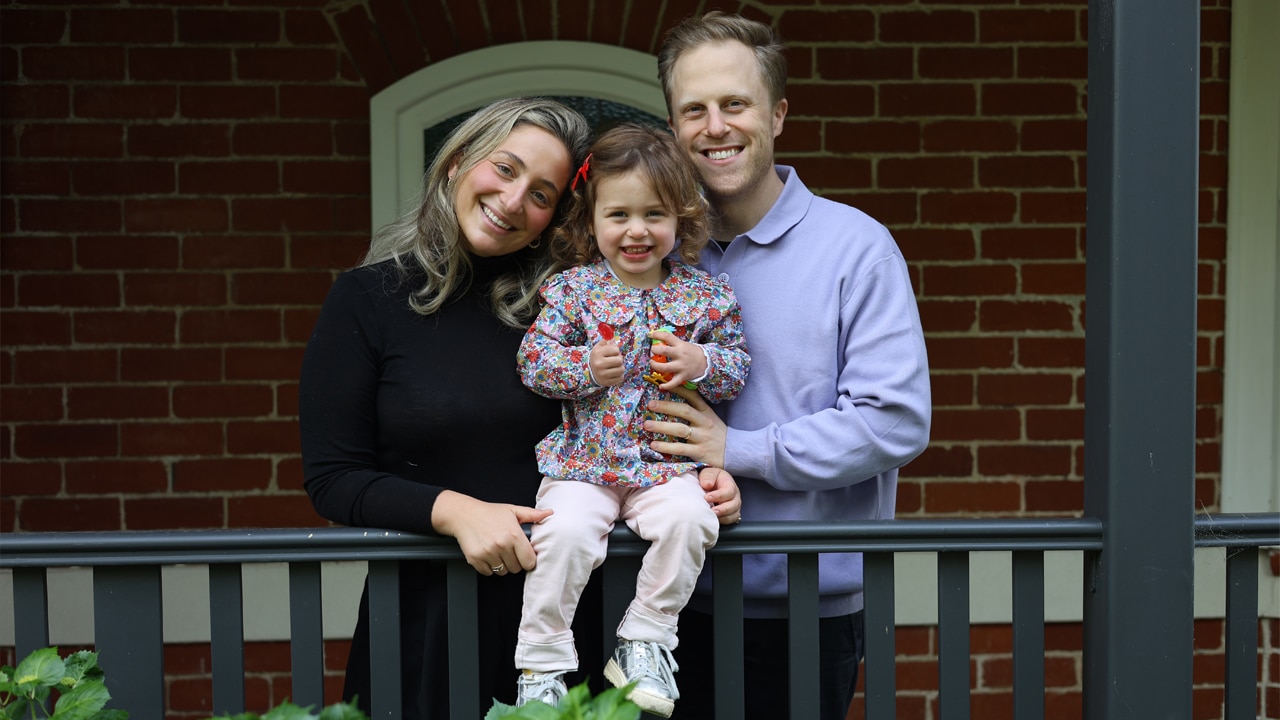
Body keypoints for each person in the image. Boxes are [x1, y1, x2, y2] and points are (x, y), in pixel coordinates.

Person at [298, 97, 745, 720]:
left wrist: (709, 468)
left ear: (556, 217)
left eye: (541, 194)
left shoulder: (573, 299)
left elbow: (646, 404)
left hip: (584, 614)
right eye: (504, 170)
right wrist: (452, 511)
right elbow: (331, 478)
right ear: (457, 164)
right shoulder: (368, 300)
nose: (514, 201)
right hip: (434, 617)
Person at [648, 12, 933, 720]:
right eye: (694, 110)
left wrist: (737, 450)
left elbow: (894, 422)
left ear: (776, 113)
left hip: (800, 605)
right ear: (674, 125)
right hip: (655, 597)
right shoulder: (653, 251)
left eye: (734, 104)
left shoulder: (856, 249)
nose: (715, 127)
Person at [512, 123, 750, 718]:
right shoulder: (572, 293)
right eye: (618, 215)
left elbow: (738, 369)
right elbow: (532, 362)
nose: (637, 230)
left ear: (682, 219)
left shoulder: (707, 298)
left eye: (655, 214)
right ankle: (541, 663)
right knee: (561, 536)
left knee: (694, 521)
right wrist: (585, 367)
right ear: (590, 221)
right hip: (584, 465)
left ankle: (645, 638)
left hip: (665, 469)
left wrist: (703, 362)